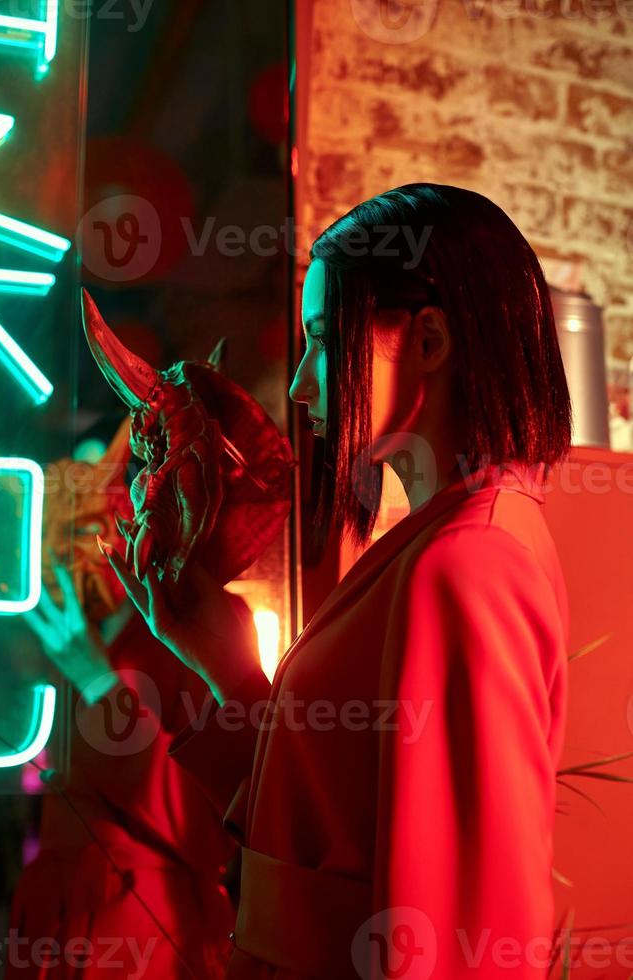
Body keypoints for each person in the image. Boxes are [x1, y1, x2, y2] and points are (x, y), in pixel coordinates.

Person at [101, 183, 573, 979]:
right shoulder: (439, 542)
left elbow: (464, 930)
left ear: (429, 339)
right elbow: (334, 826)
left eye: (325, 337)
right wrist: (224, 663)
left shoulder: (468, 561)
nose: (301, 382)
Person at [6, 420, 248, 980]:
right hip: (59, 929)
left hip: (144, 938)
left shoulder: (203, 623)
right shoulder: (67, 627)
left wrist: (97, 682)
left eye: (103, 491)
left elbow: (205, 826)